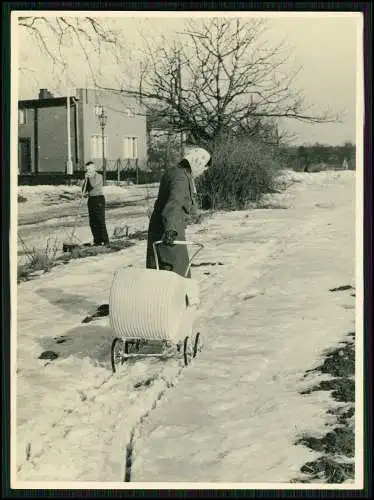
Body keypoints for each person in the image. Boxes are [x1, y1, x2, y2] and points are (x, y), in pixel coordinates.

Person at [146, 147, 211, 278]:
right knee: (177, 275)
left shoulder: (176, 172)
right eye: (204, 168)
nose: (202, 172)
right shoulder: (181, 178)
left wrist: (193, 215)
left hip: (163, 229)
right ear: (197, 162)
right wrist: (171, 230)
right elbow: (174, 204)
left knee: (160, 275)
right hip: (169, 234)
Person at [82, 161, 110, 246]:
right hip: (91, 200)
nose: (88, 171)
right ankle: (97, 240)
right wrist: (85, 181)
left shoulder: (98, 176)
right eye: (87, 169)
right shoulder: (88, 177)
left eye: (90, 169)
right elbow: (84, 189)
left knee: (100, 220)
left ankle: (105, 241)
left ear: (94, 168)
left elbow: (93, 184)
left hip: (98, 200)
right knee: (92, 221)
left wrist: (88, 178)